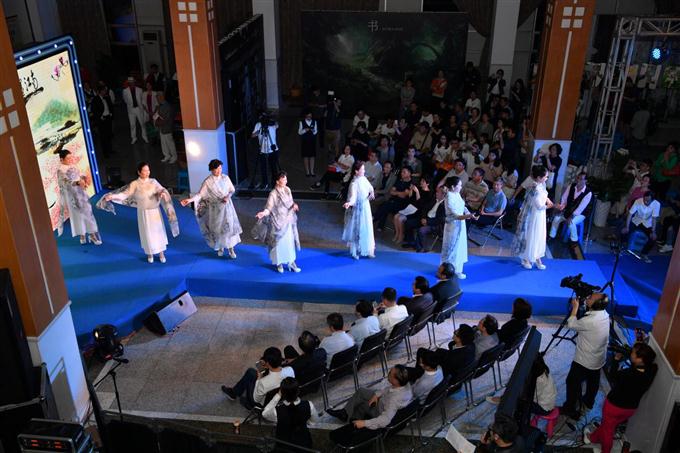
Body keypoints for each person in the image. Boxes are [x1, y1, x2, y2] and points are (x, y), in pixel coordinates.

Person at [585, 343, 657, 453]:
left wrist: (615, 360)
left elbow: (612, 376)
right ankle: (593, 437)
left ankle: (605, 450)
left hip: (614, 406)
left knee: (608, 431)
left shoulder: (628, 374)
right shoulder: (651, 370)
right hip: (630, 409)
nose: (631, 353)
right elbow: (642, 367)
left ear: (640, 359)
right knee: (609, 425)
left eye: (633, 353)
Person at [99, 162, 178, 263]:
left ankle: (161, 253)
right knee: (146, 233)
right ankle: (149, 253)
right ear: (139, 172)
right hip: (143, 212)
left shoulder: (153, 181)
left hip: (154, 212)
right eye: (145, 170)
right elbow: (125, 194)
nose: (147, 172)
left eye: (148, 170)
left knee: (158, 232)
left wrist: (162, 193)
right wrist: (112, 196)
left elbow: (161, 190)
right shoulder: (135, 184)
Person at [560, 293, 610, 420]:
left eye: (590, 298)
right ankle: (588, 402)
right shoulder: (604, 314)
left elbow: (571, 324)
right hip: (599, 358)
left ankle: (570, 409)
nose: (587, 298)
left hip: (584, 360)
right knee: (593, 381)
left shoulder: (589, 321)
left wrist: (575, 307)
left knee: (572, 382)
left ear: (596, 304)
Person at [180, 159, 242, 258]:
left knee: (228, 228)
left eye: (220, 168)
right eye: (217, 169)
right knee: (217, 228)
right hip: (215, 209)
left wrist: (227, 197)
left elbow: (232, 190)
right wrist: (190, 200)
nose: (219, 170)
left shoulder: (225, 178)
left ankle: (231, 249)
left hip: (226, 207)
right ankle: (220, 247)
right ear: (212, 170)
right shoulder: (208, 182)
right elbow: (200, 194)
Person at [326, 365, 412, 431]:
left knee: (362, 404)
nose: (388, 373)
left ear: (396, 381)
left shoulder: (393, 400)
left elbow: (385, 420)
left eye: (390, 373)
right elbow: (389, 389)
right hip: (383, 400)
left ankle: (354, 422)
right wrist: (376, 395)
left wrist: (365, 423)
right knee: (361, 391)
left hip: (380, 411)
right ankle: (345, 413)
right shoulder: (405, 384)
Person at [254, 171, 302, 273]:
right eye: (283, 180)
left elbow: (291, 202)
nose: (285, 181)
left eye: (286, 179)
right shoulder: (273, 194)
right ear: (277, 181)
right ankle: (279, 263)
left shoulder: (287, 189)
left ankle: (291, 262)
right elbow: (269, 208)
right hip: (277, 223)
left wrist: (294, 205)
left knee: (289, 243)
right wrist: (263, 213)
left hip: (288, 220)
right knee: (279, 244)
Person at [221, 346, 295, 410]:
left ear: (267, 364)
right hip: (281, 396)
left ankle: (248, 403)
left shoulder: (263, 383)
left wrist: (259, 377)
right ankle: (234, 392)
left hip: (263, 402)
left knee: (249, 377)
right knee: (251, 372)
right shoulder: (290, 369)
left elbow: (256, 399)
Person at [56, 149, 101, 245]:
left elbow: (79, 175)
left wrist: (84, 179)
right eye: (68, 158)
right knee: (77, 216)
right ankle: (82, 235)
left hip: (80, 192)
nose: (70, 160)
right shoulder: (61, 170)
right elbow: (64, 183)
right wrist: (76, 183)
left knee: (88, 212)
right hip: (72, 195)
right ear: (62, 159)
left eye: (70, 157)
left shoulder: (73, 166)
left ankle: (92, 235)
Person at [512, 165, 553, 270]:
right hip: (533, 214)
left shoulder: (542, 184)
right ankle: (525, 258)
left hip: (540, 215)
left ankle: (537, 258)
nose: (547, 178)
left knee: (539, 236)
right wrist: (550, 206)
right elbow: (539, 206)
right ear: (539, 177)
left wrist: (549, 201)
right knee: (531, 235)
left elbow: (544, 195)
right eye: (546, 176)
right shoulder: (534, 187)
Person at [262, 377, 319, 451]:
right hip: (304, 444)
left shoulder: (277, 411)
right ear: (298, 390)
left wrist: (278, 395)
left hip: (284, 446)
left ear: (282, 393)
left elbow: (265, 413)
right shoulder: (309, 405)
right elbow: (313, 422)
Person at [441, 176, 478, 280]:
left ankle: (457, 270)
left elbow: (463, 206)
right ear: (453, 187)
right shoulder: (449, 197)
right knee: (451, 248)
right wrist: (468, 216)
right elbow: (456, 216)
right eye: (459, 185)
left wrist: (469, 213)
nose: (461, 187)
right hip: (452, 226)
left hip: (461, 224)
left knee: (459, 247)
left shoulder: (456, 194)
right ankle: (447, 271)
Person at [343, 161, 376, 259]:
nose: (364, 171)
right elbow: (353, 198)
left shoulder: (364, 179)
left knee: (367, 228)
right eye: (362, 169)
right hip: (358, 209)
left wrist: (372, 193)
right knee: (357, 229)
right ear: (356, 171)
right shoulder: (354, 183)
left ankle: (368, 249)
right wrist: (349, 203)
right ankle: (355, 251)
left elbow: (370, 188)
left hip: (366, 207)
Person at [548, 172, 592, 244]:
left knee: (571, 223)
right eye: (578, 178)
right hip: (568, 210)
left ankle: (574, 241)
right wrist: (561, 208)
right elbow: (564, 198)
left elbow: (581, 208)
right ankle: (551, 236)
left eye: (581, 179)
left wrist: (571, 216)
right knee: (556, 218)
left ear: (585, 181)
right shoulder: (571, 186)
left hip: (580, 214)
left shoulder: (588, 193)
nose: (578, 180)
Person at [622, 191, 660, 263]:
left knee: (653, 238)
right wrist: (627, 227)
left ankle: (644, 253)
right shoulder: (638, 201)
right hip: (637, 221)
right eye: (644, 200)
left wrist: (653, 231)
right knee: (623, 231)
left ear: (652, 200)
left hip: (648, 223)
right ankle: (622, 247)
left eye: (648, 201)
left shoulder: (657, 204)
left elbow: (654, 219)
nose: (645, 202)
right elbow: (630, 214)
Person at [410, 185, 446, 252]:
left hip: (435, 224)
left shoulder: (444, 205)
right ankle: (412, 242)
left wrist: (427, 222)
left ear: (443, 195)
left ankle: (421, 248)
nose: (436, 193)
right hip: (426, 218)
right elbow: (425, 208)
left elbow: (440, 220)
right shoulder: (434, 199)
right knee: (409, 223)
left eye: (438, 192)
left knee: (421, 230)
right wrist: (423, 217)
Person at [251, 113, 280, 190]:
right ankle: (265, 183)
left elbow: (277, 124)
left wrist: (272, 120)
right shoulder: (258, 125)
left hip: (273, 149)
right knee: (263, 168)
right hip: (262, 150)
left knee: (274, 167)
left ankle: (274, 183)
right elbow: (252, 135)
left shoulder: (272, 124)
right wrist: (260, 130)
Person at [122, 76, 148, 144]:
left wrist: (144, 108)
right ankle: (133, 138)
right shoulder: (125, 91)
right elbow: (125, 100)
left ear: (134, 82)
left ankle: (144, 136)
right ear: (128, 83)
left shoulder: (140, 90)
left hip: (139, 109)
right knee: (132, 125)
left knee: (142, 123)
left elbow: (142, 99)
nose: (132, 83)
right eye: (130, 82)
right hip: (131, 110)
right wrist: (130, 105)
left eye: (132, 82)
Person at [91, 85, 114, 157]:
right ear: (100, 91)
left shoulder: (107, 97)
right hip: (102, 119)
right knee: (103, 137)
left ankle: (110, 150)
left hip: (108, 118)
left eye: (105, 90)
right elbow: (94, 110)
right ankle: (105, 153)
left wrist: (111, 113)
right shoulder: (95, 99)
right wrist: (100, 117)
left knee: (109, 134)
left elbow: (110, 106)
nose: (105, 92)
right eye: (103, 90)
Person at [155, 92, 177, 164]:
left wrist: (158, 123)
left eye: (158, 97)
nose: (157, 99)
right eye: (157, 98)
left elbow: (166, 118)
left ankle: (174, 157)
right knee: (163, 143)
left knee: (170, 143)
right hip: (162, 127)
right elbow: (158, 115)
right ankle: (167, 155)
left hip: (167, 127)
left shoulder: (167, 106)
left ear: (162, 97)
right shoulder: (160, 105)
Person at [298, 110, 318, 177]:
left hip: (312, 141)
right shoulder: (301, 122)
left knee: (312, 156)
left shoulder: (314, 122)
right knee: (305, 156)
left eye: (310, 116)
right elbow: (299, 132)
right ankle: (307, 172)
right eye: (308, 116)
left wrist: (313, 131)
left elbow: (316, 131)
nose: (309, 117)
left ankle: (312, 171)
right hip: (305, 141)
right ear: (305, 116)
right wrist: (304, 130)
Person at [325, 96, 342, 164]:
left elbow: (338, 111)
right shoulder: (330, 107)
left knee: (336, 144)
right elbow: (325, 115)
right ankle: (329, 153)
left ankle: (336, 157)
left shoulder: (340, 108)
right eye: (338, 102)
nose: (339, 103)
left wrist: (335, 103)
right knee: (329, 142)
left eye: (340, 102)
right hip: (328, 129)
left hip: (336, 130)